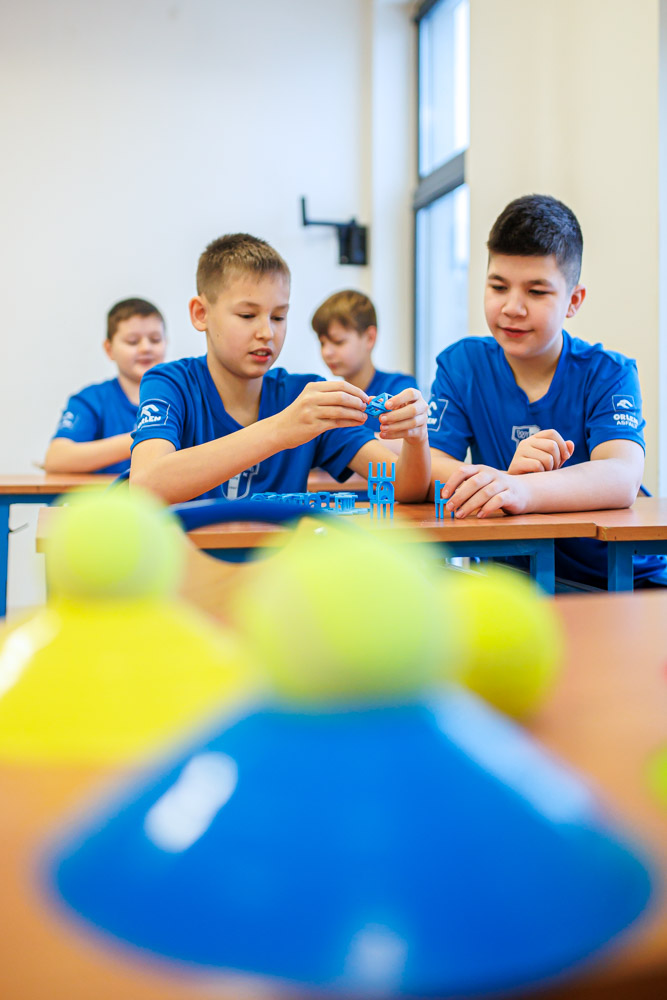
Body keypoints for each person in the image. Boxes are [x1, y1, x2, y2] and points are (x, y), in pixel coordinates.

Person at [428, 193, 666, 588]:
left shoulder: (609, 372)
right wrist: (505, 479)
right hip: (517, 581)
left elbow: (621, 476)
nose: (512, 307)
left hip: (622, 582)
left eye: (536, 292)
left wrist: (521, 488)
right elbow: (432, 464)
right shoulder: (462, 365)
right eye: (498, 286)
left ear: (573, 300)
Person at [130, 234, 429, 504]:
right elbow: (145, 485)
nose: (267, 333)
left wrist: (417, 439)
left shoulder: (304, 396)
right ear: (200, 313)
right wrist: (281, 429)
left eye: (278, 317)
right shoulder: (170, 383)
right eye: (247, 315)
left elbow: (404, 487)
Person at [44, 298, 166, 475]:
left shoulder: (185, 396)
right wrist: (143, 438)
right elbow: (56, 459)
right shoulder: (91, 400)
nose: (146, 348)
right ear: (109, 349)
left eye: (155, 340)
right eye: (133, 341)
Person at [311, 289, 418, 432]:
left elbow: (406, 439)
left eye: (338, 341)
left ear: (369, 338)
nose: (326, 352)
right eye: (322, 343)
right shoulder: (328, 400)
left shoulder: (399, 389)